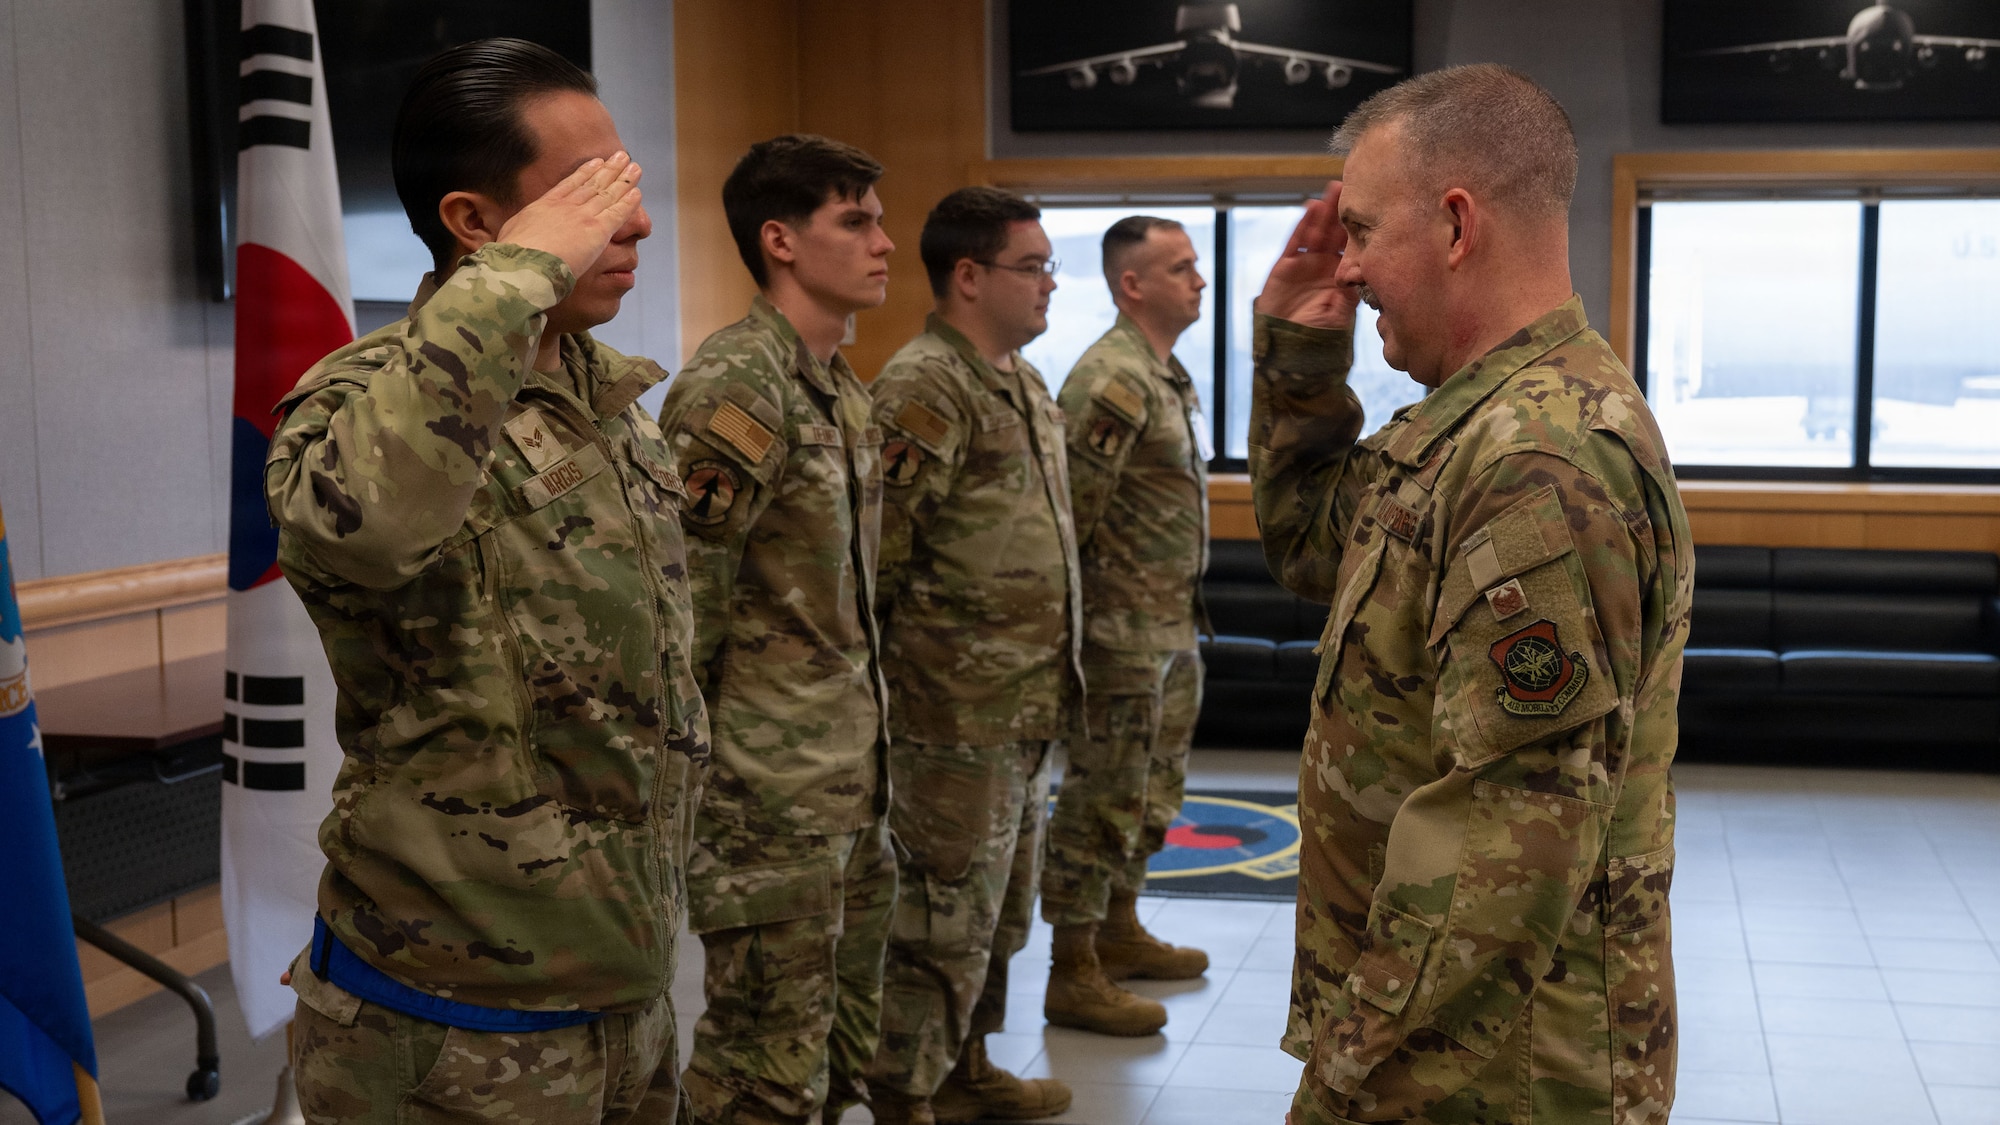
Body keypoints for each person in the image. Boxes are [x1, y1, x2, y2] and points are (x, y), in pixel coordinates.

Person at [266, 39, 707, 1124]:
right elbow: (370, 531)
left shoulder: (607, 399)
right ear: (474, 221)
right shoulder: (362, 399)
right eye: (591, 195)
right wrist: (517, 277)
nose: (637, 224)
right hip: (450, 1026)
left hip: (624, 989)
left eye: (628, 186)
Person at [1249, 64, 1688, 1124]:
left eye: (1361, 230)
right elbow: (1314, 547)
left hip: (1491, 1064)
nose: (1347, 266)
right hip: (1453, 1035)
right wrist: (1300, 357)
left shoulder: (1536, 456)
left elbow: (1509, 838)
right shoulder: (1472, 423)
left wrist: (1349, 1077)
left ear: (1455, 225)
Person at [656, 134, 896, 1125]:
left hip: (845, 779)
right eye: (856, 221)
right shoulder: (737, 388)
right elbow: (681, 616)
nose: (884, 242)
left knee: (835, 1052)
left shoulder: (836, 385)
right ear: (780, 240)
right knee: (761, 1067)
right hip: (766, 797)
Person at [863, 187, 1081, 1125]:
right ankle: (904, 1092)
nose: (1049, 284)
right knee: (937, 921)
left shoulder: (1019, 379)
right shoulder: (926, 386)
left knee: (998, 910)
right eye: (1032, 267)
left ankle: (966, 1068)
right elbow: (878, 559)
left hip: (1020, 708)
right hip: (948, 716)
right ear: (968, 276)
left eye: (1048, 267)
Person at [1040, 216, 1213, 1035]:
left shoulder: (1163, 373)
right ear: (1131, 284)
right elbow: (1068, 516)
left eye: (1197, 265)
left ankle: (1118, 927)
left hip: (1168, 624)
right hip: (1117, 634)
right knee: (1101, 796)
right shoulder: (1112, 378)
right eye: (1181, 268)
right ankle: (1072, 965)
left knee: (1150, 790)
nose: (1200, 279)